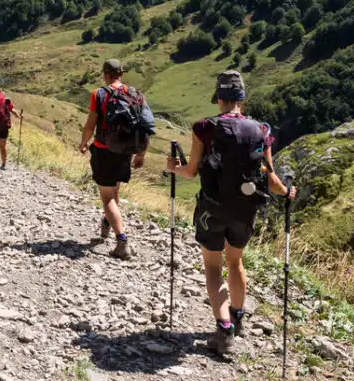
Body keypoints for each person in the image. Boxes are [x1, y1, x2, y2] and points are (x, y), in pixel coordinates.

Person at [166, 70, 296, 356]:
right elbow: (271, 180)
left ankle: (223, 329)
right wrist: (288, 192)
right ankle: (237, 317)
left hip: (212, 207)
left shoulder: (204, 127)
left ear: (219, 98)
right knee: (235, 262)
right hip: (245, 208)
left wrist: (172, 167)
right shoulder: (262, 131)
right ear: (242, 99)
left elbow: (190, 171)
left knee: (213, 266)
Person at [77, 59, 147, 260]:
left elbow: (91, 124)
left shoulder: (99, 94)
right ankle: (107, 223)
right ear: (121, 74)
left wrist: (83, 142)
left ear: (105, 74)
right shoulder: (136, 94)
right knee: (114, 189)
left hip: (104, 150)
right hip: (126, 151)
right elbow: (145, 126)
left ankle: (122, 241)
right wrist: (141, 153)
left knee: (107, 197)